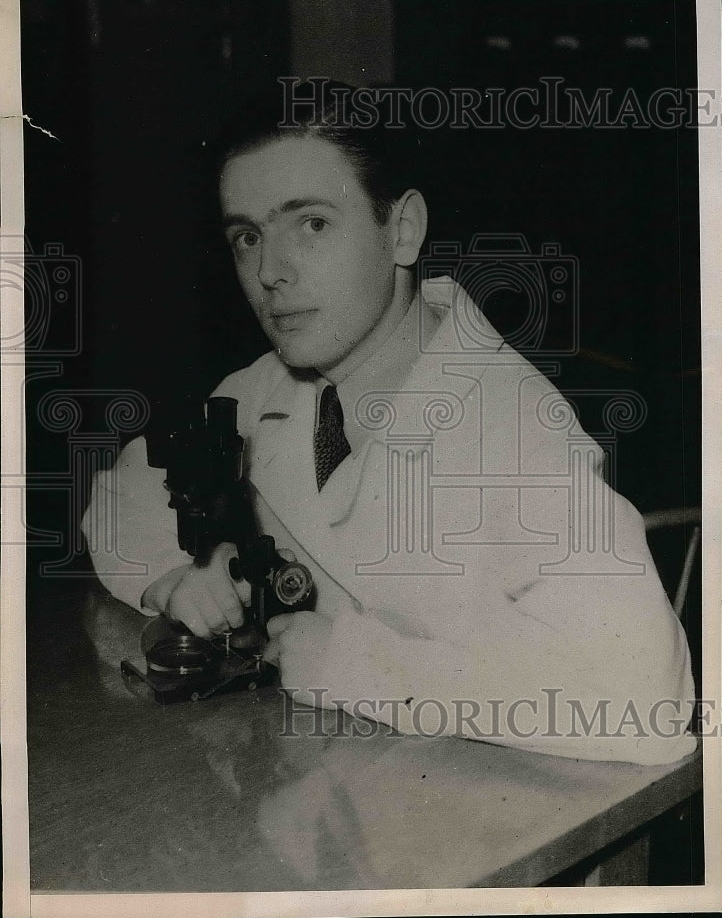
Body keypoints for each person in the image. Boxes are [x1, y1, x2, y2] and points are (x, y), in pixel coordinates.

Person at [83, 79, 696, 764]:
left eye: (312, 224)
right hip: (321, 784)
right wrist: (173, 577)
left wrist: (357, 666)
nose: (269, 271)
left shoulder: (517, 432)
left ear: (401, 230)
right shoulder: (270, 385)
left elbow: (651, 700)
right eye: (247, 236)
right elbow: (117, 498)